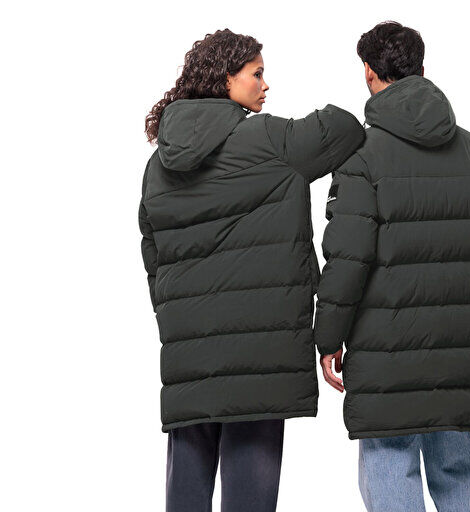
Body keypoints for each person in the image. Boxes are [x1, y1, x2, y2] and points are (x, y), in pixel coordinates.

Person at [139, 29, 363, 512]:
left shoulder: (159, 166)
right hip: (262, 354)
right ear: (226, 78)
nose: (265, 85)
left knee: (185, 494)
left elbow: (152, 253)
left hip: (189, 355)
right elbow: (345, 129)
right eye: (256, 74)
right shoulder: (269, 139)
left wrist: (176, 318)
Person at [313, 22, 470, 512]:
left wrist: (328, 337)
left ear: (368, 72)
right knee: (456, 467)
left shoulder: (361, 156)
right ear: (422, 69)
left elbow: (348, 258)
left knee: (388, 460)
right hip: (459, 344)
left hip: (385, 350)